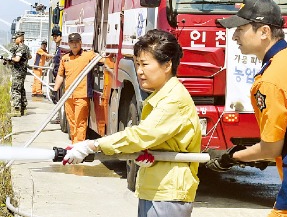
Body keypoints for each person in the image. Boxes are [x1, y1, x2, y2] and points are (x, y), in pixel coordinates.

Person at [61, 29, 201, 217]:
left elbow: (142, 135)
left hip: (168, 193)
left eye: (144, 64)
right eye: (137, 64)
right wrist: (145, 153)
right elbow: (157, 139)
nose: (139, 71)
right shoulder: (162, 95)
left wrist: (93, 145)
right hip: (157, 188)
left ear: (167, 65)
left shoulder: (173, 99)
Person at [206, 0, 287, 217]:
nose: (235, 35)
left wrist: (231, 158)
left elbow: (271, 149)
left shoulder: (271, 80)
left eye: (241, 28)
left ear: (264, 31)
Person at [51, 33, 96, 144]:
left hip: (82, 95)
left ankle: (77, 147)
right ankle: (74, 144)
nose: (74, 45)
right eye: (72, 42)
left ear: (81, 42)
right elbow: (60, 75)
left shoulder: (88, 55)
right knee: (71, 122)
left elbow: (102, 60)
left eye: (76, 42)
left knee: (80, 122)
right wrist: (55, 90)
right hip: (68, 96)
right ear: (69, 44)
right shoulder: (65, 58)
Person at [8, 31, 32, 117]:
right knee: (21, 88)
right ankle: (23, 108)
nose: (15, 40)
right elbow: (29, 56)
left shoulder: (20, 48)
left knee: (15, 89)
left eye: (16, 38)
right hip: (22, 71)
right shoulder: (25, 47)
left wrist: (11, 58)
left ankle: (16, 109)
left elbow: (17, 59)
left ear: (20, 38)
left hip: (18, 72)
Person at [50, 28, 62, 124]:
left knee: (60, 97)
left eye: (56, 36)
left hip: (61, 77)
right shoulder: (58, 48)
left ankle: (60, 116)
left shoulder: (62, 48)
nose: (54, 38)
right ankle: (59, 115)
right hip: (57, 76)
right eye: (53, 36)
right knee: (58, 97)